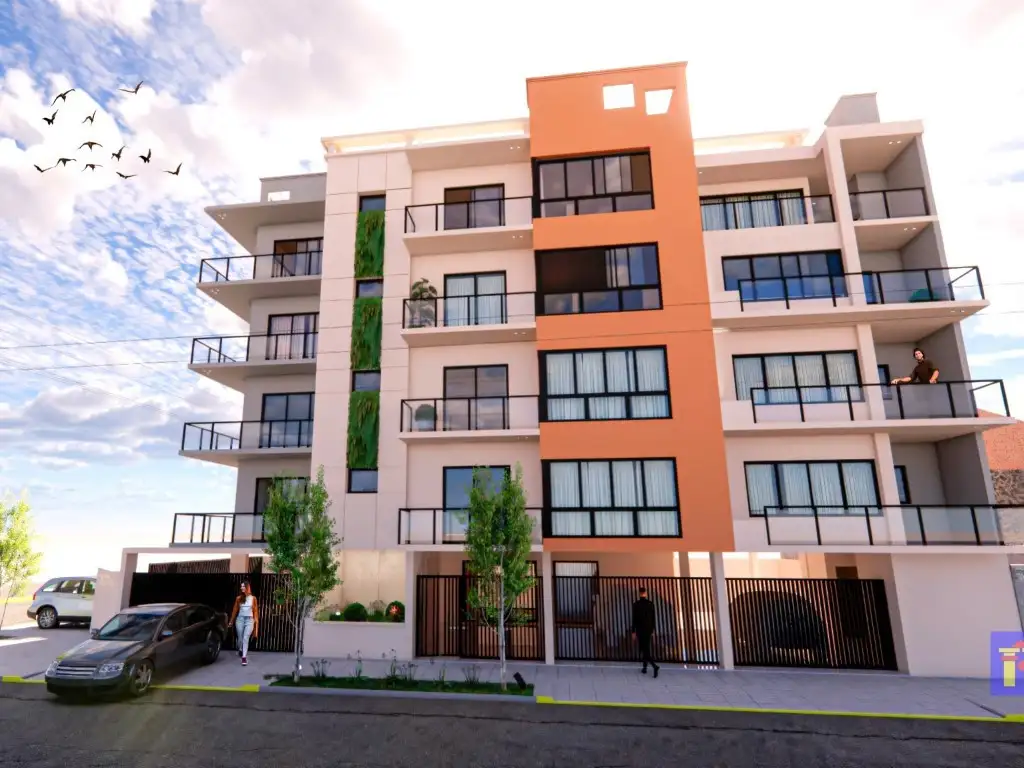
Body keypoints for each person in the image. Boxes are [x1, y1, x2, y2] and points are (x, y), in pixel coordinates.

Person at [227, 581, 259, 666]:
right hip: (240, 620)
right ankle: (240, 649)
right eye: (241, 586)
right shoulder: (238, 598)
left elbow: (255, 611)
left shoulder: (253, 598)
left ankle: (244, 657)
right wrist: (231, 621)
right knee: (240, 638)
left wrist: (256, 620)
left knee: (245, 638)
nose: (241, 588)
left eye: (243, 586)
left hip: (249, 620)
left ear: (247, 587)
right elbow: (235, 610)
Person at [632, 586, 659, 678]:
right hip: (648, 629)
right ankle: (645, 667)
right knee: (646, 647)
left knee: (644, 649)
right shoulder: (650, 604)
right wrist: (653, 629)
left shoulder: (636, 604)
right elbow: (653, 618)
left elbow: (634, 619)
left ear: (639, 593)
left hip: (640, 629)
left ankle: (654, 666)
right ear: (646, 593)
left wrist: (633, 631)